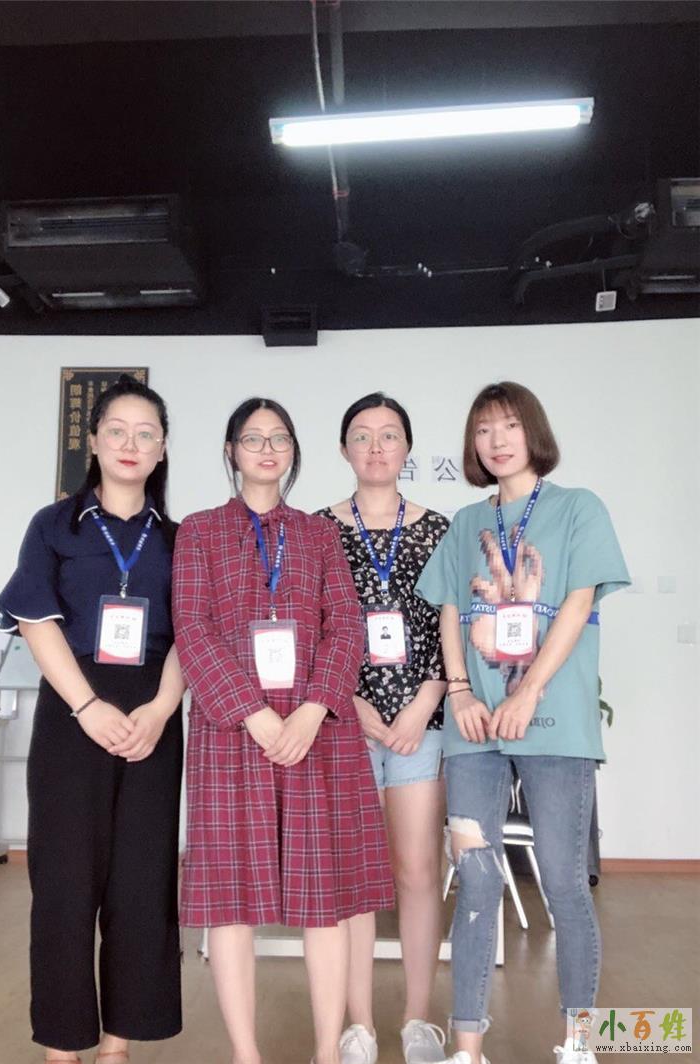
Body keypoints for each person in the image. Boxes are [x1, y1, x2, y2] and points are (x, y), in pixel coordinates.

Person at [172, 397, 395, 1064]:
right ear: (231, 451)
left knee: (323, 898)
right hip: (230, 732)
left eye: (279, 439)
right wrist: (254, 712)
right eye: (253, 438)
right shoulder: (198, 531)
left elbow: (346, 625)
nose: (267, 449)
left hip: (314, 733)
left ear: (294, 451)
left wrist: (313, 709)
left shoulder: (319, 533)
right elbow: (192, 629)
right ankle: (246, 1053)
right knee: (231, 902)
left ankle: (327, 1049)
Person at [415, 381, 630, 1064]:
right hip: (475, 728)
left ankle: (580, 1043)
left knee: (563, 882)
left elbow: (577, 605)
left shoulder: (577, 508)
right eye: (483, 430)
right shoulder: (464, 524)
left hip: (554, 722)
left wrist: (530, 691)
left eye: (508, 425)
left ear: (532, 430)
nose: (497, 440)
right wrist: (460, 693)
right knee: (476, 879)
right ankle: (468, 1047)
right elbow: (451, 610)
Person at [0, 375, 185, 1064]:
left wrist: (161, 709)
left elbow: (195, 634)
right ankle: (62, 1046)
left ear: (162, 449)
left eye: (146, 433)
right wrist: (86, 705)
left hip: (155, 717)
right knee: (65, 883)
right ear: (95, 441)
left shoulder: (181, 538)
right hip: (72, 711)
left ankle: (116, 1044)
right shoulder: (54, 525)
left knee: (142, 883)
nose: (131, 444)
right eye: (117, 431)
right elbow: (34, 618)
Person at [318, 392, 450, 1064]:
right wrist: (352, 702)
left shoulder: (440, 528)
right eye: (362, 435)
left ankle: (419, 1019)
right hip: (346, 721)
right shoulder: (317, 530)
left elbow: (451, 623)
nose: (376, 447)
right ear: (344, 449)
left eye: (389, 434)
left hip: (420, 721)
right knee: (355, 874)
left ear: (407, 448)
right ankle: (360, 1026)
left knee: (418, 869)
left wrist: (426, 701)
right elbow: (313, 628)